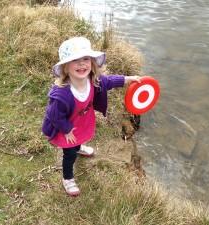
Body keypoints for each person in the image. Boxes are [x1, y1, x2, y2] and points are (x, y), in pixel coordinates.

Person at [42, 36, 141, 197]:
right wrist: (67, 130)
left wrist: (127, 80)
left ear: (92, 63)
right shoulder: (62, 94)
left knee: (79, 139)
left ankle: (79, 146)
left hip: (81, 122)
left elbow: (109, 81)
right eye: (75, 60)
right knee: (69, 154)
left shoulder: (94, 80)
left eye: (86, 59)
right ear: (66, 68)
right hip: (66, 127)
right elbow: (54, 115)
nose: (82, 64)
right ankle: (67, 178)